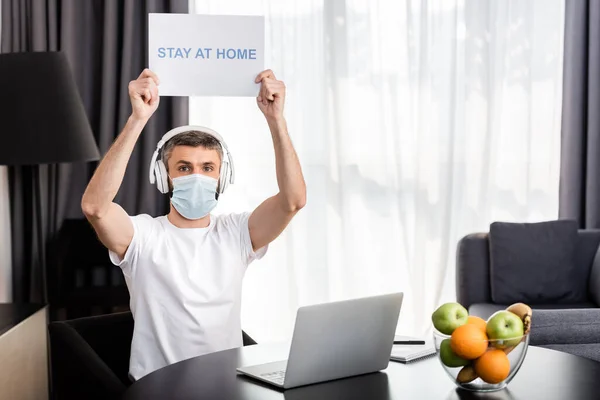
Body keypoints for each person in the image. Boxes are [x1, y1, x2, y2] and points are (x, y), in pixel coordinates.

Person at [81, 68, 306, 380]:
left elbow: (293, 200)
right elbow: (95, 207)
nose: (196, 176)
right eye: (184, 167)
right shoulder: (143, 236)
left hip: (225, 383)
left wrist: (276, 119)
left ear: (221, 177)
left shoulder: (237, 233)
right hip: (156, 387)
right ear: (164, 177)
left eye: (208, 167)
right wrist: (138, 119)